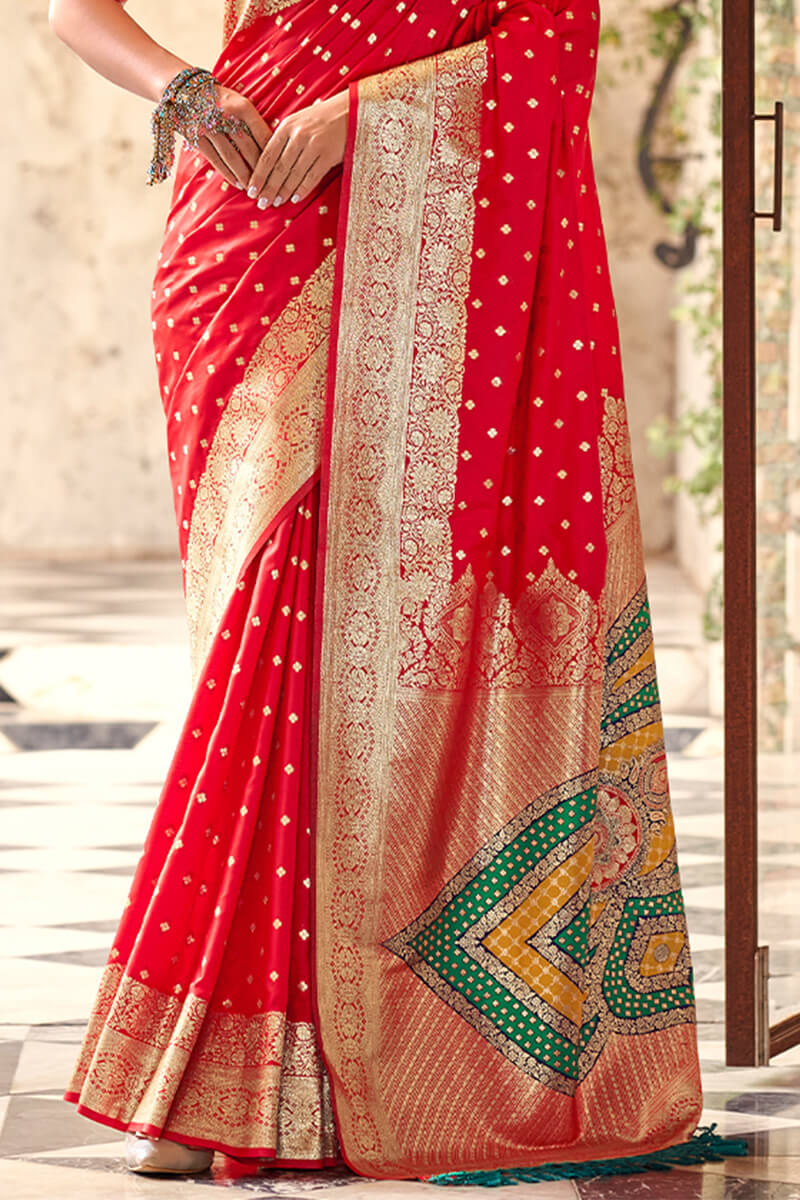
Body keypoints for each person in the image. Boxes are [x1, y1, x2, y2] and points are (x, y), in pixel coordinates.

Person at [50, 0, 709, 1183]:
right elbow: (71, 10)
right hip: (244, 250)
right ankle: (242, 1072)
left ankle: (253, 1081)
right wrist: (184, 88)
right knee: (262, 649)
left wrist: (372, 115)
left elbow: (552, 46)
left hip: (424, 233)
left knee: (308, 666)